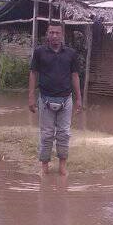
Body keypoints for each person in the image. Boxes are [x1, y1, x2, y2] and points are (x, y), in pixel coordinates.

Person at [28, 23, 82, 175]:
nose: (54, 36)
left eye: (57, 33)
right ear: (47, 34)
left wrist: (79, 98)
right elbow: (33, 73)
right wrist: (31, 96)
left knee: (64, 134)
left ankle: (62, 167)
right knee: (46, 134)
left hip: (66, 100)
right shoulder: (39, 52)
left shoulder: (71, 53)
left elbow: (75, 75)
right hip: (45, 99)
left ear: (62, 35)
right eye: (51, 32)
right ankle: (44, 167)